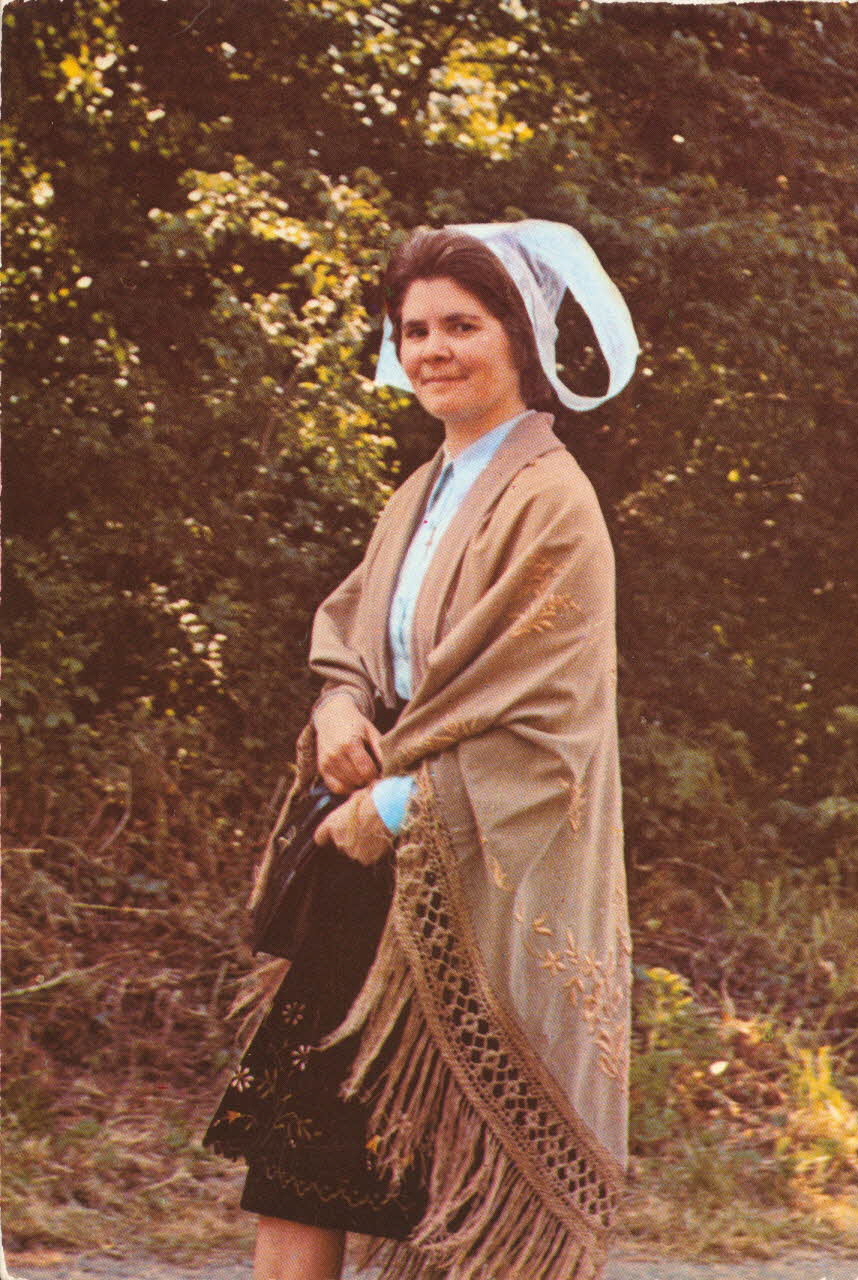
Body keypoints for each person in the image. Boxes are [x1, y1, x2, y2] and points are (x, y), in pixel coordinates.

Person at [205, 219, 639, 1280]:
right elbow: (357, 643)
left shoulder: (552, 502)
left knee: (442, 1203)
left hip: (470, 879)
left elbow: (550, 730)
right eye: (415, 330)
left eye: (461, 325)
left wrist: (397, 806)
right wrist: (337, 710)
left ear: (521, 338)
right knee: (293, 1167)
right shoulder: (421, 491)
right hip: (367, 871)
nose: (433, 349)